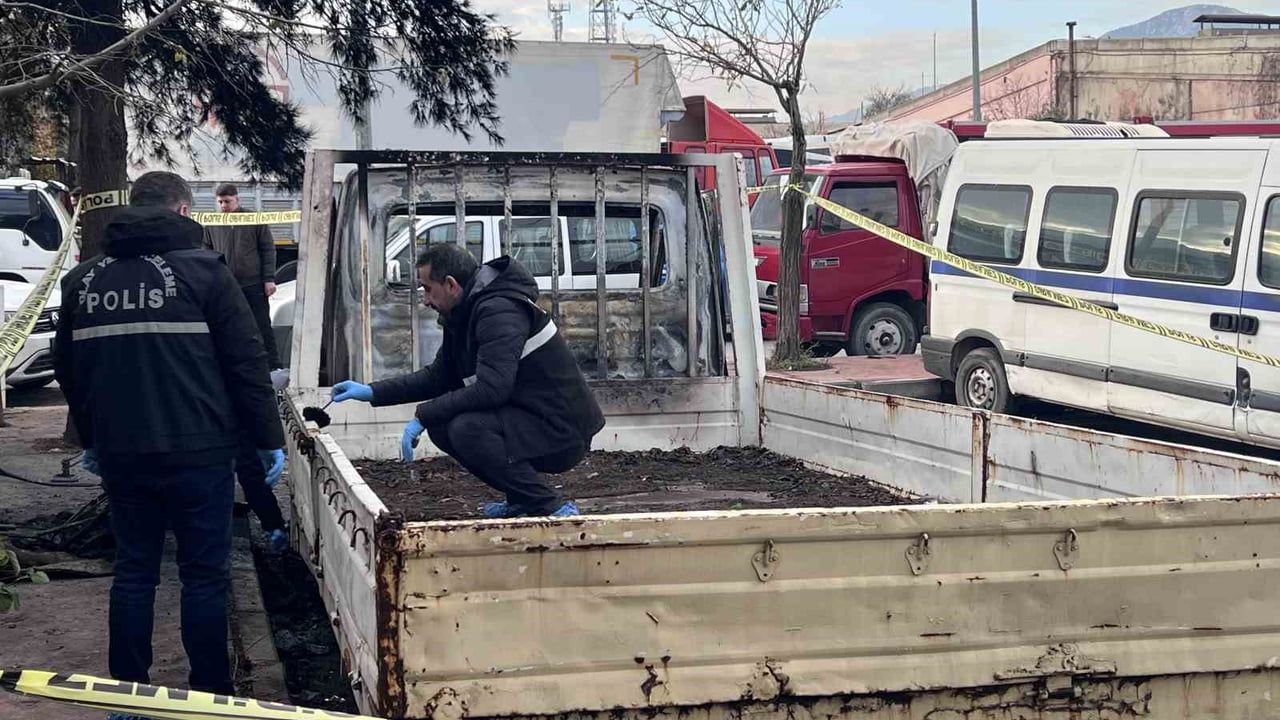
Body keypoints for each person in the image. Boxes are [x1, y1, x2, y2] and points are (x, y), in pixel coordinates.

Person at [54, 171, 285, 707]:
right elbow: (246, 362)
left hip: (123, 453)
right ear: (183, 211)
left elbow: (69, 369)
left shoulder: (82, 282)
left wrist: (92, 436)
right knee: (204, 575)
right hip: (201, 451)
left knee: (134, 571)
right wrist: (265, 438)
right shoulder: (206, 273)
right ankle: (210, 696)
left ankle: (128, 699)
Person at [331, 244, 604, 518]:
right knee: (442, 425)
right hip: (533, 416)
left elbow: (492, 388)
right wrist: (371, 392)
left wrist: (423, 414)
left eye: (427, 289)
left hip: (563, 430)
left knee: (467, 429)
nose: (425, 300)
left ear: (451, 284)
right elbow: (439, 377)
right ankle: (523, 500)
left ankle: (550, 506)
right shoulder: (464, 312)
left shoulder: (499, 310)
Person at [202, 183, 280, 369]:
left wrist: (269, 279)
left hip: (253, 283)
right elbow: (206, 251)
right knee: (227, 326)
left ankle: (273, 365)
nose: (223, 206)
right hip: (225, 284)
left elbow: (267, 249)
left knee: (261, 325)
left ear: (237, 199)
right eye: (220, 202)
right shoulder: (212, 223)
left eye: (227, 201)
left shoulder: (253, 219)